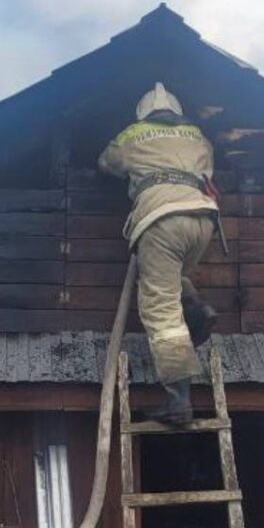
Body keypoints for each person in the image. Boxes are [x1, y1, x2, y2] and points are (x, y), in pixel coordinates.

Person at [98, 81, 221, 426]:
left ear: (143, 113)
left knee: (161, 310)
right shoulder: (198, 137)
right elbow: (206, 169)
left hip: (161, 219)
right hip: (203, 221)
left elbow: (106, 163)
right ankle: (197, 308)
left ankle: (179, 401)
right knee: (172, 275)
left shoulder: (133, 135)